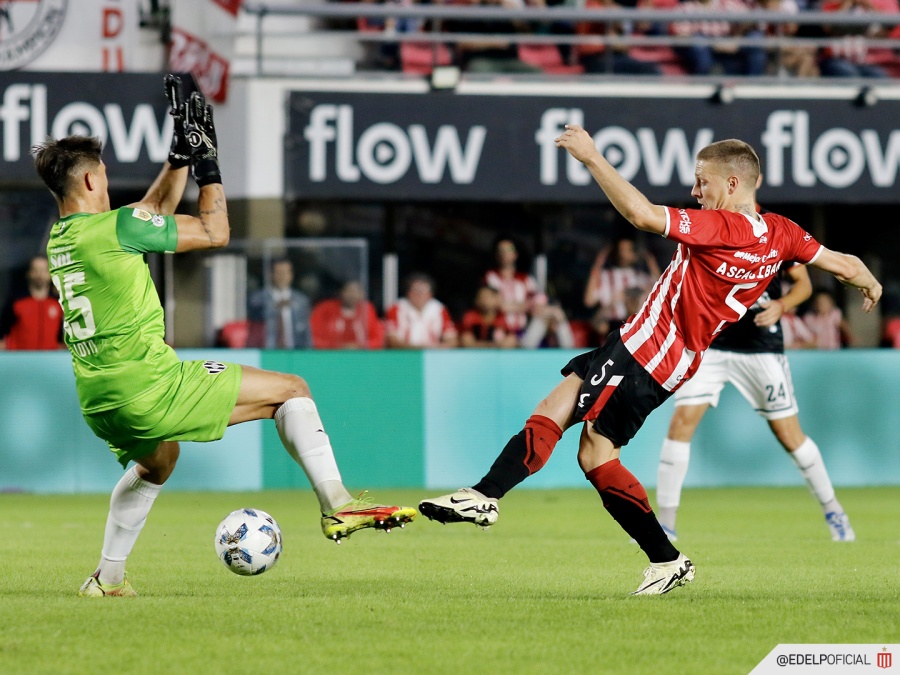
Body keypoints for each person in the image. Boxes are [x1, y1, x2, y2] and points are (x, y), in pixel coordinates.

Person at [419, 125, 881, 596]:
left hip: (650, 349)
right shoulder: (781, 233)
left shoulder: (723, 226)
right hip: (658, 349)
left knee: (590, 446)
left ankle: (494, 499)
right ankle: (502, 501)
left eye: (703, 181)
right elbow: (842, 264)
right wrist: (870, 282)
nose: (694, 190)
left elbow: (641, 215)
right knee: (577, 428)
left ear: (733, 184)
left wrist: (591, 158)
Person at [36, 75, 415, 598]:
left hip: (98, 399)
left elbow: (150, 216)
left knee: (159, 461)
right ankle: (338, 505)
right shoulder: (119, 228)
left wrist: (176, 160)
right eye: (103, 173)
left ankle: (107, 579)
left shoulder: (63, 240)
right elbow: (215, 232)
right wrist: (208, 165)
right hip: (149, 385)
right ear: (92, 183)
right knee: (292, 388)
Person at [655, 263, 856, 544]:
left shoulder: (776, 231)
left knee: (789, 436)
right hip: (711, 345)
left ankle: (834, 512)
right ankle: (665, 524)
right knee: (680, 425)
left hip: (761, 349)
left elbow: (804, 285)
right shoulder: (715, 224)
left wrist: (781, 305)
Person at [583, 236, 660, 327]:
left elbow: (661, 289)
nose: (622, 253)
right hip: (613, 326)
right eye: (620, 249)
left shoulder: (641, 277)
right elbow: (589, 301)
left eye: (627, 249)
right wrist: (598, 262)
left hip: (639, 326)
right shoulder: (605, 277)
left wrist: (651, 262)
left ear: (634, 254)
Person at [0, 255, 63, 350]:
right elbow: (3, 331)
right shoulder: (17, 302)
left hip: (51, 359)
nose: (40, 275)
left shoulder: (58, 303)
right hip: (19, 358)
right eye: (36, 270)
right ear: (29, 273)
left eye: (44, 270)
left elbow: (61, 336)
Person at [483, 238, 545, 336]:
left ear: (515, 255)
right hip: (499, 330)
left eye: (507, 250)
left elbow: (539, 304)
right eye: (500, 251)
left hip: (523, 330)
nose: (503, 253)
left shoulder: (526, 279)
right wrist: (525, 306)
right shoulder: (491, 277)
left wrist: (509, 305)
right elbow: (493, 304)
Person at [247, 258, 312, 349]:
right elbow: (256, 317)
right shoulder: (259, 298)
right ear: (271, 275)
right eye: (279, 273)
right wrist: (275, 307)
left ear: (291, 275)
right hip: (267, 352)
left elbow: (305, 331)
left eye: (285, 273)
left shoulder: (301, 301)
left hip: (294, 353)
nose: (282, 277)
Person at [385, 273, 459, 349]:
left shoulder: (440, 309)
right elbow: (392, 341)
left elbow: (452, 340)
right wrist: (421, 348)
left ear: (430, 294)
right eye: (415, 290)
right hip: (403, 355)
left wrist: (437, 348)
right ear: (408, 293)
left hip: (432, 355)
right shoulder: (396, 308)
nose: (419, 294)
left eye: (423, 290)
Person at [309, 280, 384, 349]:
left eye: (357, 291)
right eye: (349, 291)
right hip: (330, 356)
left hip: (361, 358)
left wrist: (360, 346)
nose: (353, 295)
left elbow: (378, 340)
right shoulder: (325, 308)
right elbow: (312, 338)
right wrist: (336, 346)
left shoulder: (367, 309)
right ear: (341, 292)